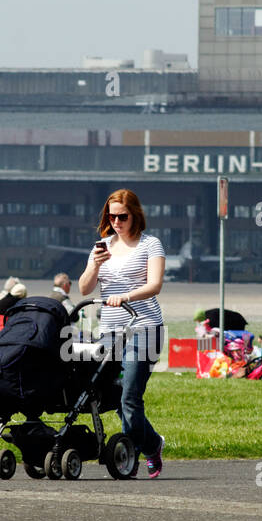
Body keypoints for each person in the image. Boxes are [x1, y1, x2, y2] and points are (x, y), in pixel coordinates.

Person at [78, 188, 166, 478]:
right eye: (111, 216)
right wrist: (95, 266)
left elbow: (154, 285)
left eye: (122, 216)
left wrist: (126, 296)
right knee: (112, 397)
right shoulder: (102, 246)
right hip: (110, 331)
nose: (116, 221)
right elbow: (84, 288)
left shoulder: (150, 245)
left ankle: (137, 454)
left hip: (144, 327)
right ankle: (148, 445)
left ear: (135, 215)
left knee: (130, 396)